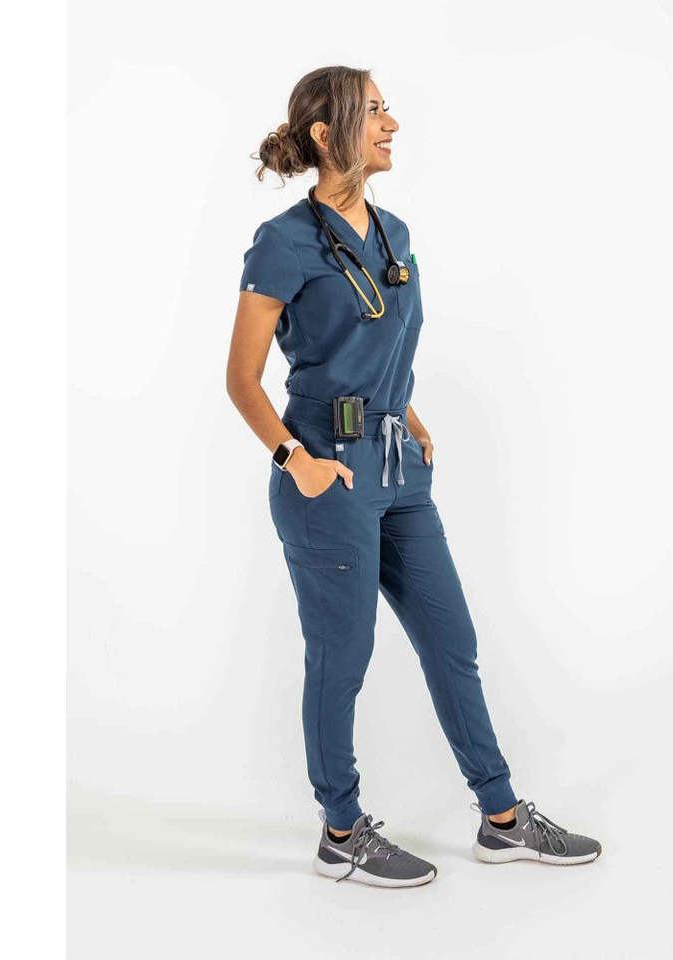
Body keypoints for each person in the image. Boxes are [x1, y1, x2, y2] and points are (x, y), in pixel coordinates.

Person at [226, 66, 601, 887]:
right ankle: (340, 832)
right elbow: (242, 380)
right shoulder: (283, 242)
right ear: (326, 132)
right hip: (327, 472)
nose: (391, 124)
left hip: (399, 469)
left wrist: (409, 412)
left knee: (451, 642)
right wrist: (296, 460)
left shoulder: (395, 231)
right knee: (342, 657)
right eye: (375, 111)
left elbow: (383, 344)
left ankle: (501, 819)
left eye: (388, 110)